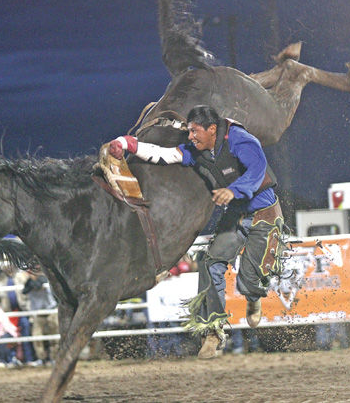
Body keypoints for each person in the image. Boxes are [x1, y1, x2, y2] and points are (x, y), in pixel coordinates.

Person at [109, 104, 287, 359]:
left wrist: (234, 191)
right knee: (210, 261)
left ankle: (253, 294)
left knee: (249, 277)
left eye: (194, 131)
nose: (190, 136)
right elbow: (168, 155)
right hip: (237, 214)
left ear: (212, 129)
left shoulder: (241, 140)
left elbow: (257, 171)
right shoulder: (199, 150)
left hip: (264, 212)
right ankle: (212, 331)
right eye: (189, 131)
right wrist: (130, 145)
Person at [22, 270, 58, 366]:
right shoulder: (28, 283)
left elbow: (39, 284)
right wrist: (33, 284)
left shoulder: (44, 279)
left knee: (54, 336)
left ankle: (54, 358)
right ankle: (41, 358)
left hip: (51, 310)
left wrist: (34, 285)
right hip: (39, 312)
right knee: (36, 336)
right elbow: (24, 291)